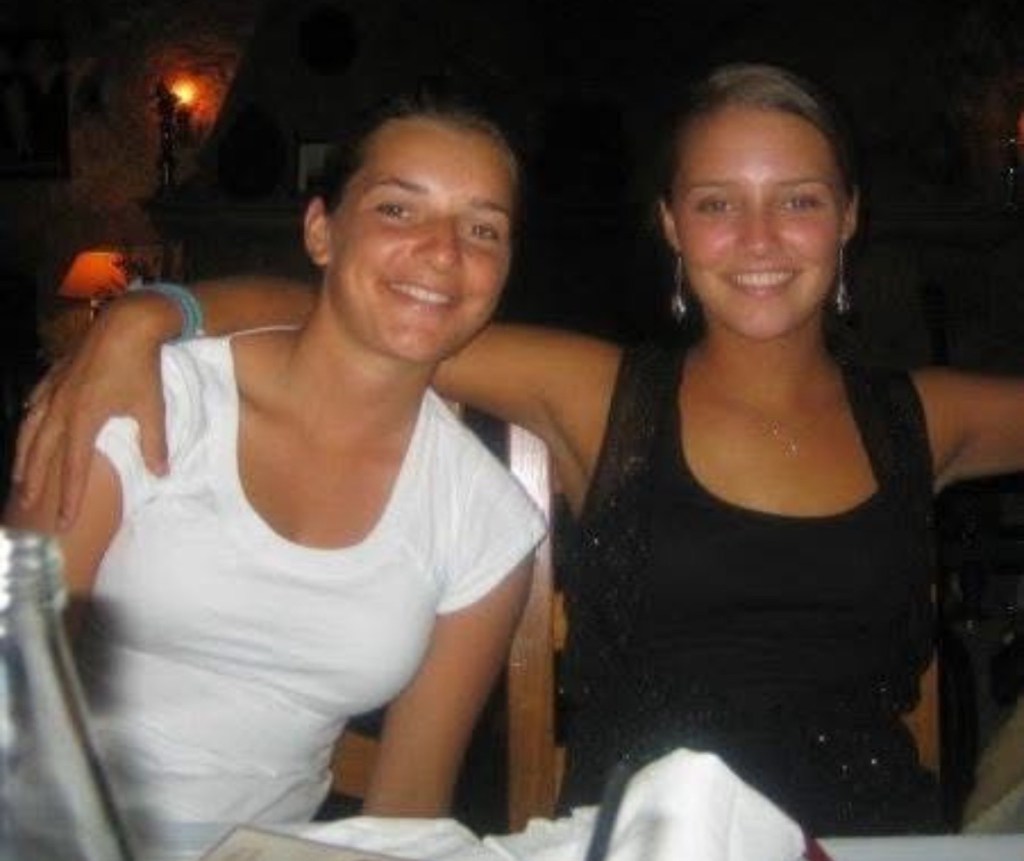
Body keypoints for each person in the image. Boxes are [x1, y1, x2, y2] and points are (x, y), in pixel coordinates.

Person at [13, 63, 1024, 836]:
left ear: (849, 217)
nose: (758, 238)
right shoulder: (600, 394)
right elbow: (359, 317)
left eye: (799, 198)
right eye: (717, 202)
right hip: (639, 841)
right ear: (672, 225)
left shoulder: (925, 417)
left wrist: (150, 314)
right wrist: (152, 313)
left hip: (875, 843)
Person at [3, 91, 546, 839]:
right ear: (322, 231)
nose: (445, 251)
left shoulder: (487, 521)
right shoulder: (146, 399)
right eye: (397, 209)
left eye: (483, 228)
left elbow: (405, 815)